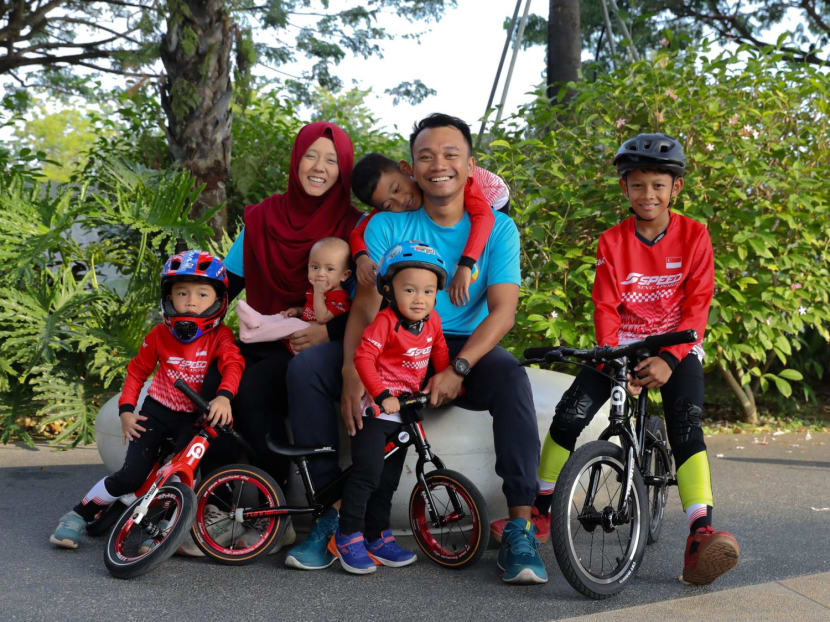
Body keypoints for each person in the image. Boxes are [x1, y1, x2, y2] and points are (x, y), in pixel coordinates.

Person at [284, 113, 547, 585]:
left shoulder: (498, 229)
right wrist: (351, 372)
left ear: (470, 165)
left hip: (457, 345)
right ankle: (331, 516)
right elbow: (365, 308)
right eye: (426, 156)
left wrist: (459, 368)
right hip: (389, 343)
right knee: (307, 370)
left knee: (511, 377)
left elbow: (503, 312)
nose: (438, 164)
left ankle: (520, 527)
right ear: (411, 167)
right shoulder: (388, 224)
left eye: (450, 154)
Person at [508, 132, 739, 586]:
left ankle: (700, 534)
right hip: (621, 344)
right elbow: (605, 307)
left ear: (676, 188)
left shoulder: (695, 235)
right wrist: (616, 359)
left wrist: (670, 359)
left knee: (686, 425)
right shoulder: (612, 241)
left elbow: (698, 305)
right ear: (624, 188)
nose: (647, 194)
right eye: (637, 185)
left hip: (677, 345)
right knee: (570, 414)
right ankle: (540, 509)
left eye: (658, 185)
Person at [199, 122, 361, 491]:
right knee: (209, 381)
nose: (319, 167)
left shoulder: (354, 227)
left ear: (343, 171)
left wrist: (327, 332)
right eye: (310, 156)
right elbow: (227, 285)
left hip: (314, 344)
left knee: (253, 390)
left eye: (332, 161)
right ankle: (215, 498)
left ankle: (271, 501)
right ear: (296, 160)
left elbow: (366, 304)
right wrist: (191, 324)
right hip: (262, 336)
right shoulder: (263, 219)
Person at [50, 250, 244, 549]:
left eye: (202, 294)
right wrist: (126, 411)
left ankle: (166, 532)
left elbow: (233, 364)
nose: (191, 301)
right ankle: (76, 516)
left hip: (193, 420)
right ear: (169, 297)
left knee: (184, 479)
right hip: (156, 413)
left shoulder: (221, 336)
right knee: (130, 476)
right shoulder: (159, 334)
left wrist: (224, 396)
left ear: (219, 300)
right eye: (182, 293)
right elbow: (137, 371)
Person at [329, 241, 450, 574]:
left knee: (389, 481)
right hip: (375, 413)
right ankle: (348, 535)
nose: (419, 298)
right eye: (409, 290)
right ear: (389, 290)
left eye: (428, 291)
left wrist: (445, 381)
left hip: (405, 414)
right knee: (367, 474)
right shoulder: (385, 322)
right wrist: (381, 394)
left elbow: (439, 349)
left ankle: (377, 536)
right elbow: (363, 358)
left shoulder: (432, 321)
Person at [350, 153, 510, 306]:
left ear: (406, 169)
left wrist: (466, 264)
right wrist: (362, 259)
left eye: (397, 189)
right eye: (388, 205)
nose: (401, 201)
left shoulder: (444, 182)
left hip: (493, 193)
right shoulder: (386, 200)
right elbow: (357, 232)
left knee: (482, 244)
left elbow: (484, 217)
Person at [281, 237, 352, 354]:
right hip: (300, 339)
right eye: (315, 267)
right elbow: (311, 309)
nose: (320, 273)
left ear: (344, 275)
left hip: (316, 346)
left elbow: (322, 318)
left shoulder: (340, 298)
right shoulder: (314, 290)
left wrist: (318, 293)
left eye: (330, 269)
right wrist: (298, 311)